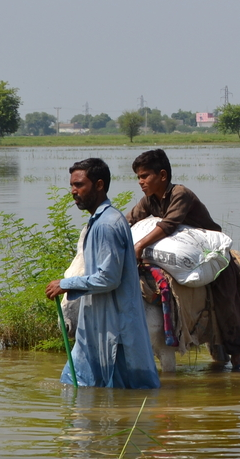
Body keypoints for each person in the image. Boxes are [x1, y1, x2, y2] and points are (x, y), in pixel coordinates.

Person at [127, 148, 240, 371]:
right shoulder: (149, 201)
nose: (140, 182)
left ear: (162, 175)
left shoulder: (180, 194)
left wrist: (139, 245)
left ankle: (237, 355)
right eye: (138, 177)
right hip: (184, 257)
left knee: (226, 299)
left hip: (211, 255)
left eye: (144, 176)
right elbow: (130, 220)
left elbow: (168, 225)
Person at [45, 158, 160, 389]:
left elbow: (109, 278)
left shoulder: (107, 225)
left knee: (122, 393)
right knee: (78, 385)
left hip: (114, 330)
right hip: (97, 327)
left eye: (79, 185)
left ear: (99, 185)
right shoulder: (99, 221)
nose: (73, 191)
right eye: (72, 185)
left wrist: (66, 284)